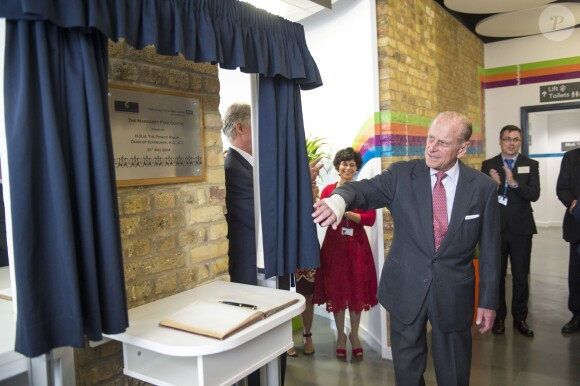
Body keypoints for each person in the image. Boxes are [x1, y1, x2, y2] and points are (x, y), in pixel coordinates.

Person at [312, 112, 500, 385]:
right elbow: (363, 190)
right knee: (408, 373)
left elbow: (491, 250)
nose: (432, 148)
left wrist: (488, 301)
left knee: (455, 372)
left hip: (453, 292)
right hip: (405, 287)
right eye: (430, 139)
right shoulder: (401, 175)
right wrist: (339, 201)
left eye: (443, 143)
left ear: (462, 148)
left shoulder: (482, 188)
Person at [312, 147, 378, 359]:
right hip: (334, 248)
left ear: (356, 168)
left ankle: (354, 336)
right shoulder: (328, 190)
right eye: (344, 164)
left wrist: (344, 211)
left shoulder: (364, 190)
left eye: (352, 164)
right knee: (338, 292)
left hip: (357, 246)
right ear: (338, 166)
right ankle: (341, 335)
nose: (348, 168)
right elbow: (322, 218)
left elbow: (370, 219)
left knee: (357, 292)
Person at [481, 125, 539, 337]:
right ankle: (498, 318)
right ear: (500, 140)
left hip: (521, 229)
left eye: (516, 139)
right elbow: (480, 199)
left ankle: (520, 318)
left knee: (521, 276)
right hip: (495, 229)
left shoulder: (530, 165)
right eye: (507, 139)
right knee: (496, 276)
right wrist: (493, 187)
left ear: (520, 141)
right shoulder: (488, 165)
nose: (511, 143)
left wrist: (514, 184)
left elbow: (535, 194)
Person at [287, 157, 323, 358]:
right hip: (288, 247)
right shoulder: (282, 185)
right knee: (287, 294)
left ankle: (307, 335)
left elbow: (312, 211)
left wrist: (309, 185)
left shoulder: (311, 188)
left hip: (307, 245)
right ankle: (287, 339)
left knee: (307, 293)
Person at [556, 147, 580, 334]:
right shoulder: (571, 157)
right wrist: (573, 203)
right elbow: (562, 188)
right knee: (576, 274)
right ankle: (577, 315)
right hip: (577, 223)